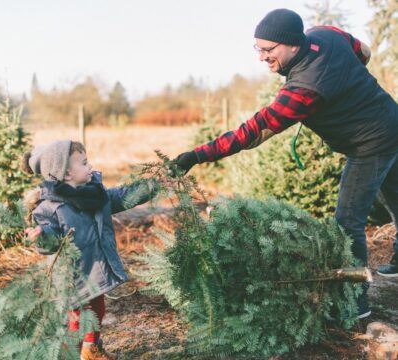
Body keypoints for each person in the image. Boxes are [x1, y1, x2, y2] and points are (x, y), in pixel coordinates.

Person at [173, 8, 398, 319]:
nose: (262, 57)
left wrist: (196, 155)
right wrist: (346, 83)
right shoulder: (326, 33)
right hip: (391, 118)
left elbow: (252, 133)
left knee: (347, 223)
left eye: (268, 49)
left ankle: (354, 304)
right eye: (258, 48)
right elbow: (365, 52)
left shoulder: (304, 89)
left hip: (371, 143)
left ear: (293, 43)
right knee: (396, 197)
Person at [22, 140, 158, 360]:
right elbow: (50, 240)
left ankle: (91, 349)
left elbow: (124, 195)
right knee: (77, 319)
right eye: (84, 163)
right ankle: (73, 354)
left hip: (95, 270)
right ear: (66, 174)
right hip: (73, 278)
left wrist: (153, 185)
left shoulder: (96, 195)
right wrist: (41, 237)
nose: (90, 166)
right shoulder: (49, 208)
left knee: (97, 312)